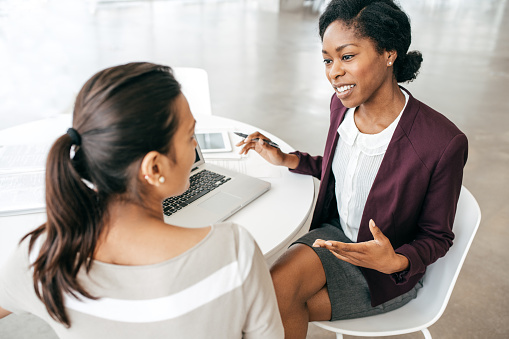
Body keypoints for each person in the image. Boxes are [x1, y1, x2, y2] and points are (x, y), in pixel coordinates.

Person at [0, 62, 284, 338]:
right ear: (155, 168)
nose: (195, 145)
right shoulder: (234, 252)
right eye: (189, 136)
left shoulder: (41, 257)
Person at [237, 0, 468, 338]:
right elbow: (345, 171)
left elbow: (437, 236)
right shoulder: (342, 106)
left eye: (347, 57)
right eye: (328, 60)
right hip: (334, 235)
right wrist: (289, 159)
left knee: (268, 304)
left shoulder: (441, 141)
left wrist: (395, 262)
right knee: (266, 297)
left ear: (389, 53)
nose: (333, 72)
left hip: (384, 271)